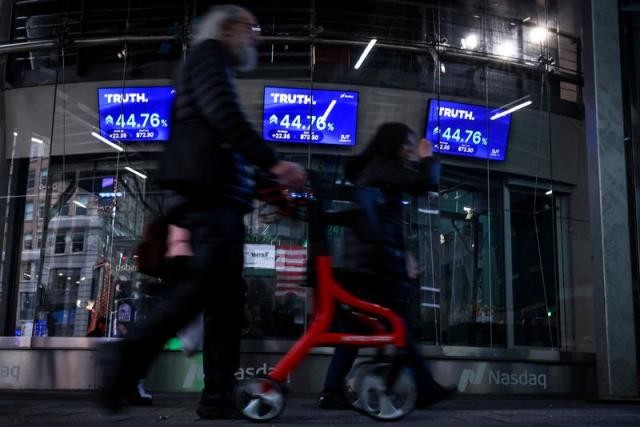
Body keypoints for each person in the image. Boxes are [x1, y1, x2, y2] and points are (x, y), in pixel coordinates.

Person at [99, 4, 306, 420]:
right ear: (228, 27)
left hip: (215, 198)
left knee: (225, 303)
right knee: (198, 291)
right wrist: (275, 163)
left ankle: (216, 396)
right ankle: (124, 357)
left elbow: (219, 130)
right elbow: (224, 117)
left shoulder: (212, 64)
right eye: (252, 28)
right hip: (208, 200)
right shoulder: (210, 57)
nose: (257, 37)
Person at [318, 122, 453, 409]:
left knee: (354, 327)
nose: (411, 148)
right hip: (376, 267)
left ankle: (332, 390)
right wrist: (429, 157)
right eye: (408, 142)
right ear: (394, 144)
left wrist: (404, 253)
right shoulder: (382, 167)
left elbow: (384, 221)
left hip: (368, 264)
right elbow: (423, 184)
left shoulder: (376, 170)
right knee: (400, 322)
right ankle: (422, 386)